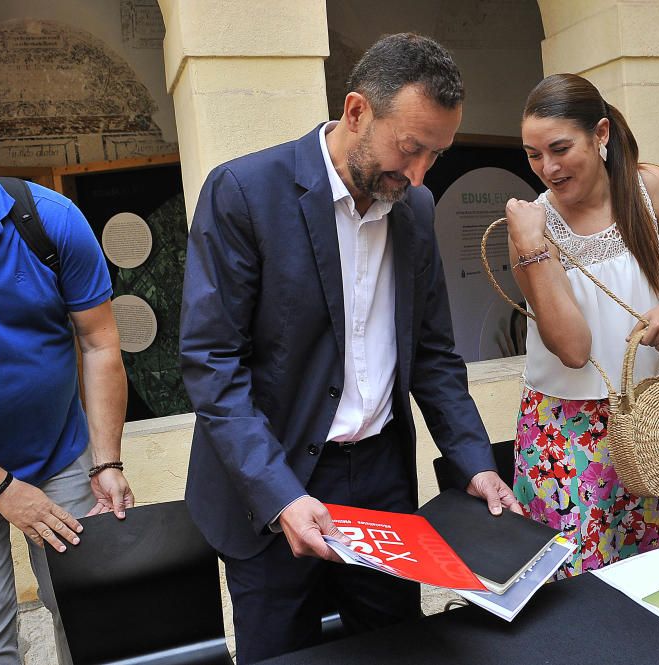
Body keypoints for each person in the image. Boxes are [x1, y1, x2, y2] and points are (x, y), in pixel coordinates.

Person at [180, 33, 520, 664]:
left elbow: (435, 357)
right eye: (411, 148)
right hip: (271, 479)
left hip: (381, 481)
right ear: (357, 111)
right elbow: (212, 366)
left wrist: (474, 460)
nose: (420, 176)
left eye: (435, 157)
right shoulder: (244, 193)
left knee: (395, 649)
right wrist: (280, 493)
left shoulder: (413, 209)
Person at [505, 74, 659, 578]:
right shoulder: (531, 227)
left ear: (600, 134)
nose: (548, 168)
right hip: (565, 432)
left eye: (559, 148)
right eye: (533, 155)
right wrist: (534, 249)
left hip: (651, 421)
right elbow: (573, 350)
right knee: (577, 589)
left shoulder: (653, 190)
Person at [0, 143, 134, 665]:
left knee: (88, 609)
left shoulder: (49, 221)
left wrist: (106, 460)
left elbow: (100, 343)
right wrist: (0, 488)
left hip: (60, 454)